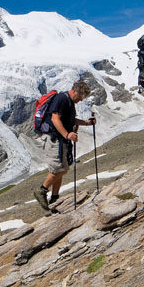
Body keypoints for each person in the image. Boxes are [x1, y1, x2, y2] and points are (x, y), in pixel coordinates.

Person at [32, 80, 96, 212]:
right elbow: (55, 118)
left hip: (61, 140)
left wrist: (86, 123)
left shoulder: (69, 102)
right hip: (54, 139)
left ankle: (55, 198)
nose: (80, 100)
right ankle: (41, 190)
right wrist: (67, 135)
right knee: (58, 169)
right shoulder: (62, 98)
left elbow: (71, 120)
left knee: (62, 169)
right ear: (76, 91)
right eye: (81, 96)